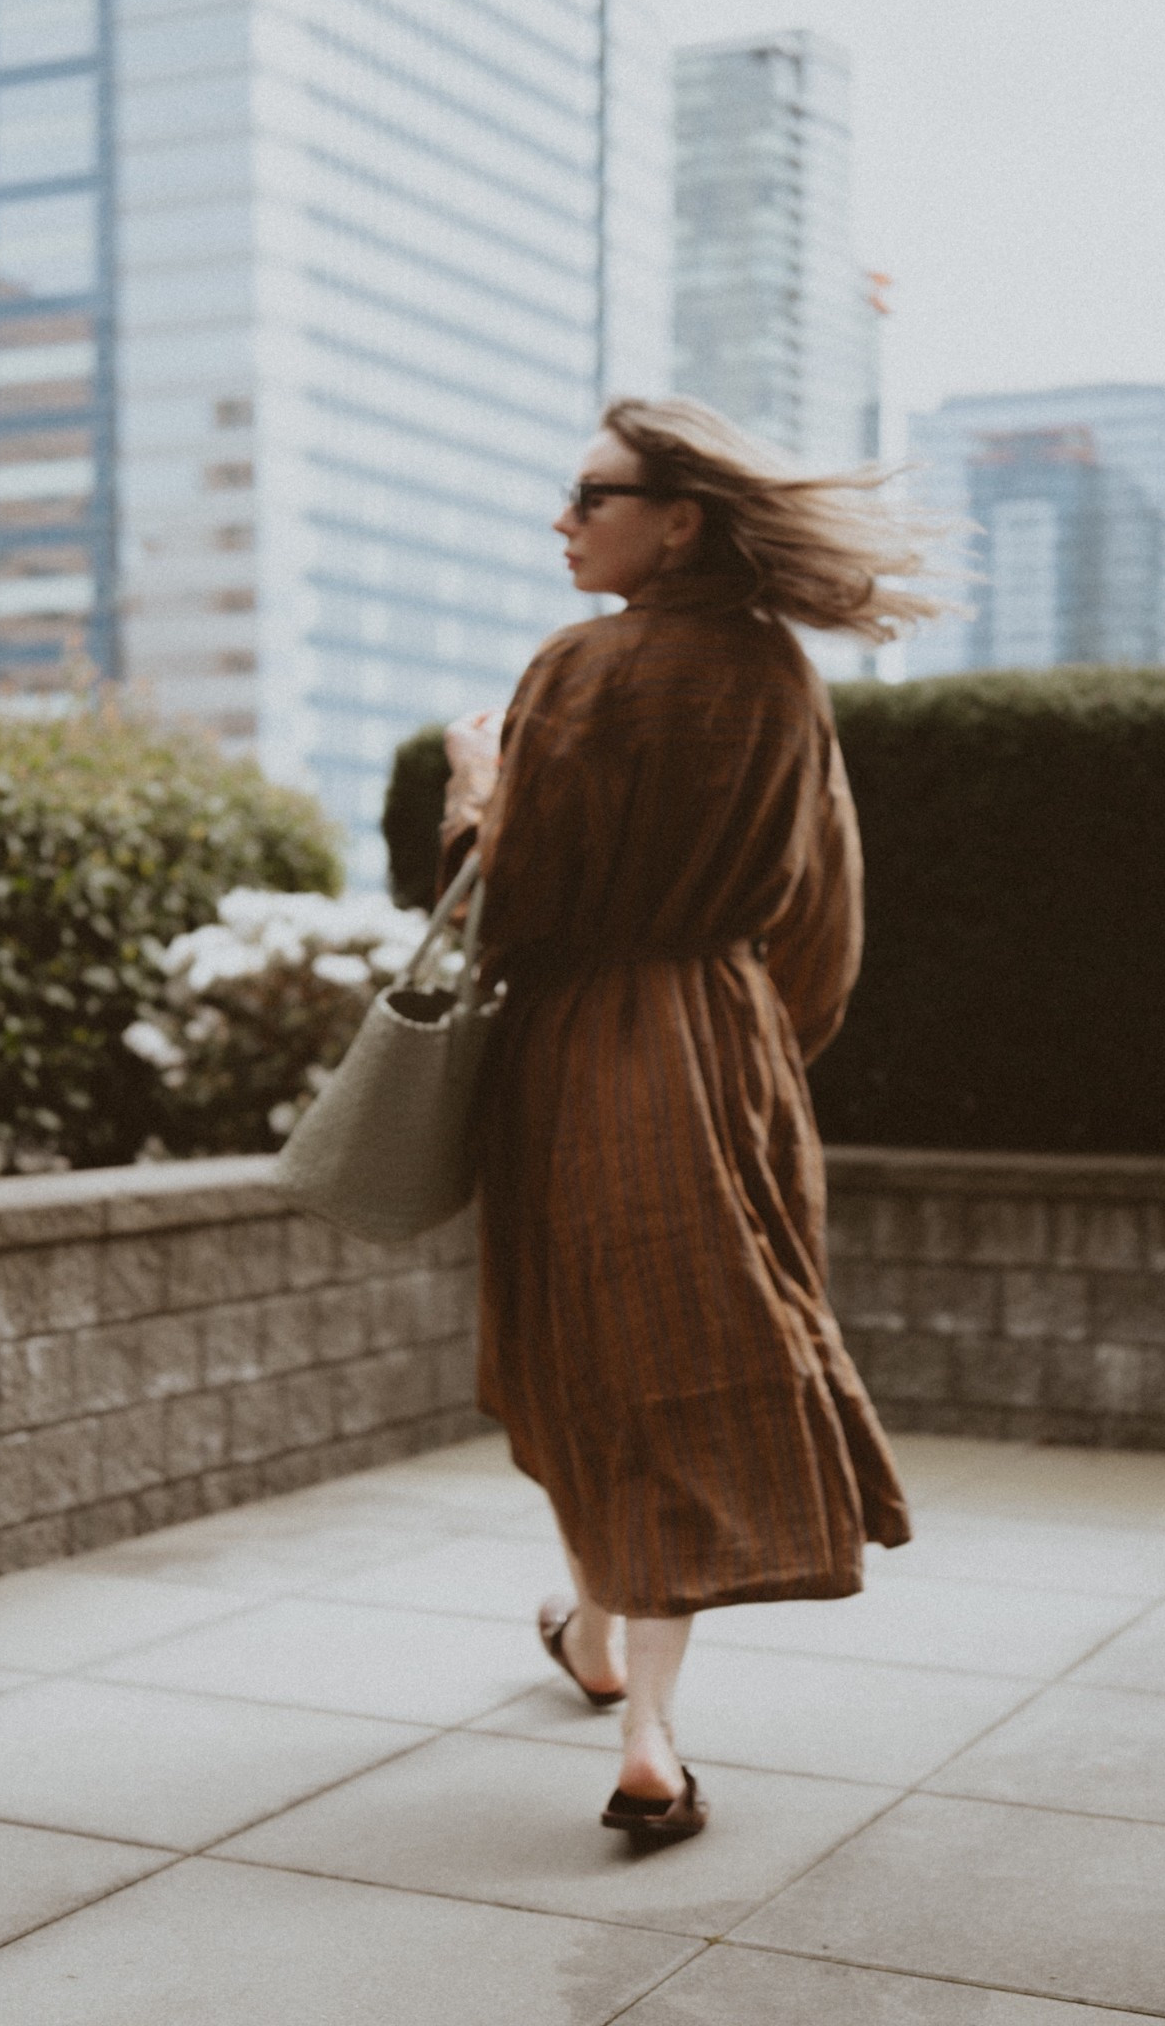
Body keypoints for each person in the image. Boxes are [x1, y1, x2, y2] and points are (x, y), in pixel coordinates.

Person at [441, 396, 940, 1847]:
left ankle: (645, 1730)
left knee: (595, 1356)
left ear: (681, 522)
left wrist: (477, 788)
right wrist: (758, 1040)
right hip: (731, 1049)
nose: (563, 518)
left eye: (589, 496)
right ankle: (609, 1666)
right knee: (686, 1355)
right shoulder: (786, 682)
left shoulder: (583, 668)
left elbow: (511, 901)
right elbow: (826, 911)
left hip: (579, 1046)